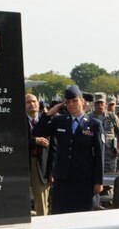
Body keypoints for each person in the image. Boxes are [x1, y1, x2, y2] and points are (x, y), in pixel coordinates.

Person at [33, 85, 104, 214]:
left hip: (84, 180)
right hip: (63, 180)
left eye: (74, 100)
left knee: (85, 218)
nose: (71, 104)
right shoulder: (59, 121)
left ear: (82, 101)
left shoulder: (94, 124)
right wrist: (49, 113)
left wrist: (98, 181)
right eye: (68, 102)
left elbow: (100, 154)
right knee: (61, 216)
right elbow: (37, 132)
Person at [25, 93, 51, 216]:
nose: (32, 104)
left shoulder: (47, 121)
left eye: (34, 101)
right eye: (28, 102)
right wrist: (34, 141)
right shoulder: (17, 122)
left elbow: (53, 148)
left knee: (42, 204)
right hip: (25, 165)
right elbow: (13, 143)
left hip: (42, 166)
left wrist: (52, 172)